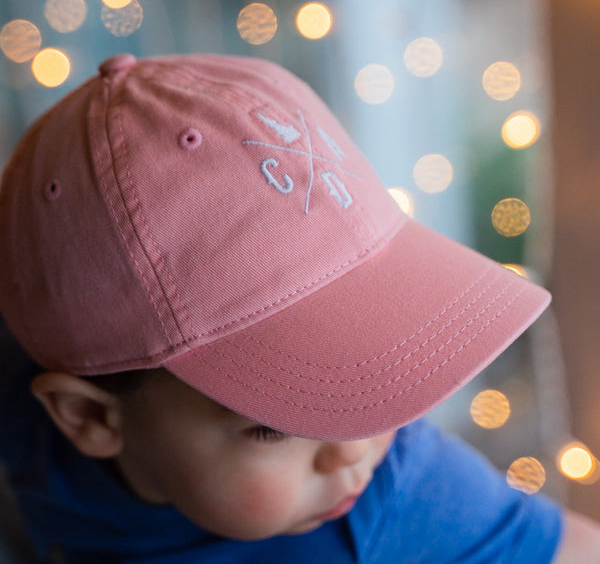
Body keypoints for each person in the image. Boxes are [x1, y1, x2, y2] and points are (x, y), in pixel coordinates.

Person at [0, 53, 598, 563]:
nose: (355, 447)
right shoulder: (23, 405)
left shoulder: (401, 492)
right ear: (88, 419)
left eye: (380, 340)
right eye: (277, 425)